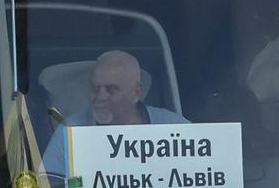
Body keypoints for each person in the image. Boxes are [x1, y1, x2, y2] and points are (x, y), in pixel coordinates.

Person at [42, 50, 187, 174]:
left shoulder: (175, 129)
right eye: (95, 88)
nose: (100, 97)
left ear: (136, 93)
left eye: (111, 89)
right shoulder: (70, 132)